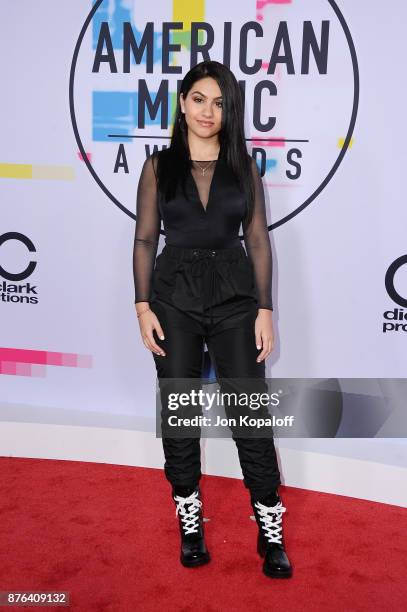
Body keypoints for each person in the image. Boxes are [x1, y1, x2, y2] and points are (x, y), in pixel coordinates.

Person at [132, 60, 292, 579]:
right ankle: (190, 522)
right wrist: (141, 305)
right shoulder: (158, 167)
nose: (208, 111)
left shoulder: (245, 168)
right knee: (180, 416)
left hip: (235, 297)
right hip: (173, 296)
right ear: (181, 104)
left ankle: (270, 534)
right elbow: (143, 239)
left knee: (251, 416)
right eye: (199, 99)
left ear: (230, 111)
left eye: (220, 102)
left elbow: (259, 239)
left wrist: (265, 308)